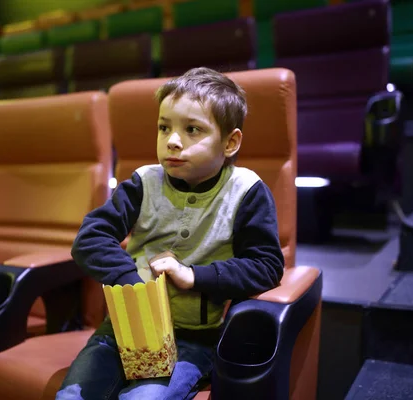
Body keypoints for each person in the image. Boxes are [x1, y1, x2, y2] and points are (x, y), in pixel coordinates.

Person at [56, 67, 285, 400]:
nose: (173, 141)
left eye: (192, 130)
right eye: (164, 128)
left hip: (191, 340)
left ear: (230, 142)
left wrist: (193, 276)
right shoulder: (143, 182)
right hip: (122, 330)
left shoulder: (247, 191)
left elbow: (267, 265)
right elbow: (90, 238)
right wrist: (129, 279)